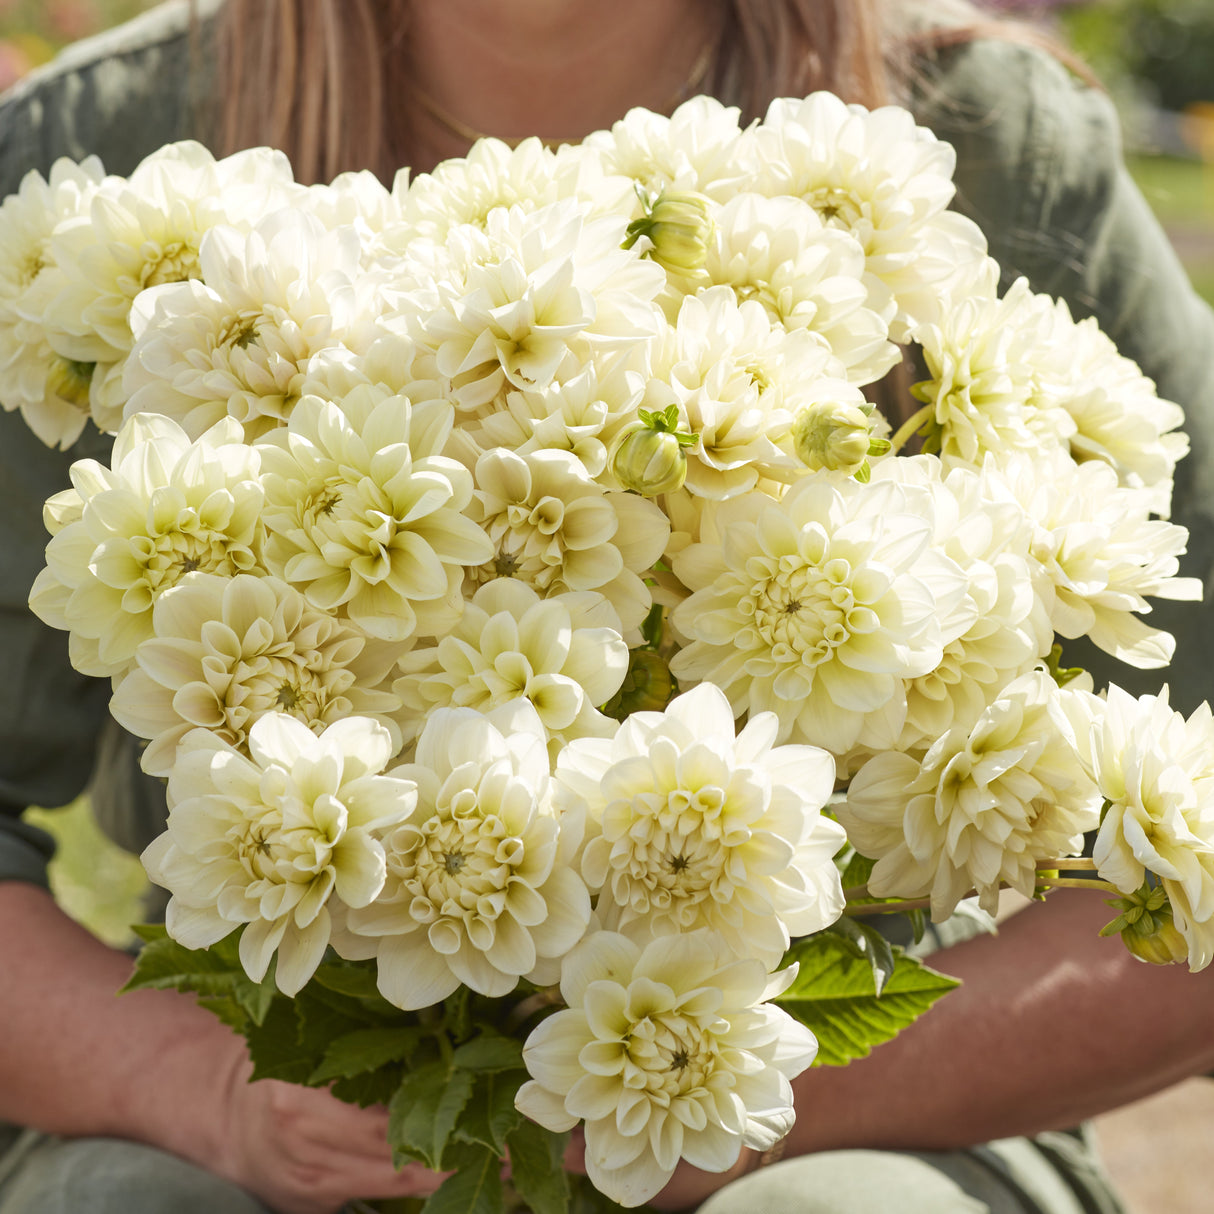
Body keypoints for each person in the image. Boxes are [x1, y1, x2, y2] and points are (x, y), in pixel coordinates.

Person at [0, 1, 1212, 1212]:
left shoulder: (991, 139)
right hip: (266, 1108)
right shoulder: (102, 151)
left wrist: (738, 1091)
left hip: (859, 1119)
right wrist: (201, 1086)